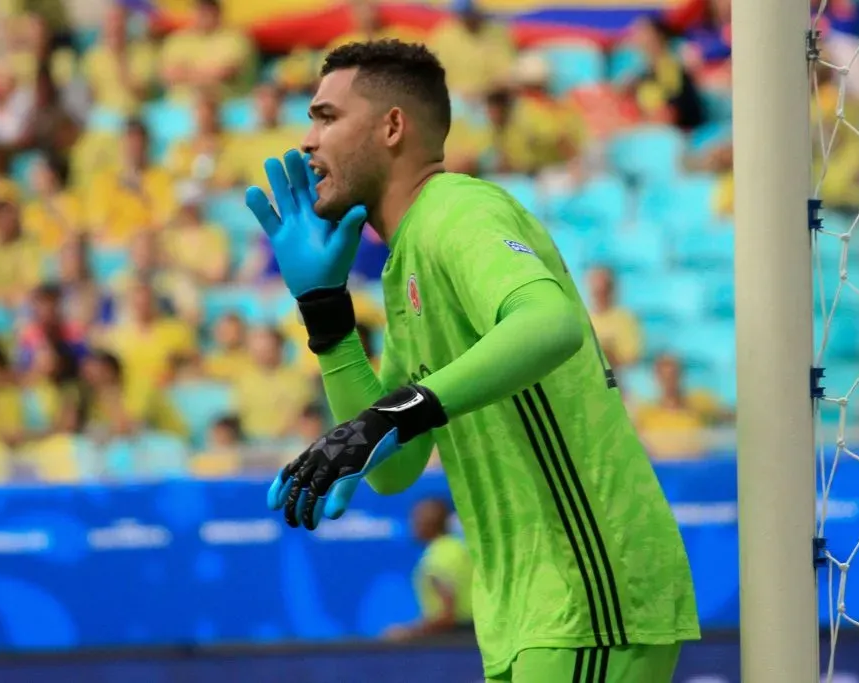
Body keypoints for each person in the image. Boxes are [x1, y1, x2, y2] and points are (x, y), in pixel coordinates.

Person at [244, 40, 699, 683]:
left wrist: (393, 414)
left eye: (325, 117)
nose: (308, 142)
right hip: (528, 613)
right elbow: (394, 470)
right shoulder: (409, 259)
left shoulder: (459, 211)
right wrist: (326, 314)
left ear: (392, 126)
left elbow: (550, 323)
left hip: (588, 593)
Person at [383, 497, 473, 642]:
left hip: (455, 641)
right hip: (477, 636)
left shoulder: (436, 559)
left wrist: (409, 632)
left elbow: (448, 615)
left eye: (416, 519)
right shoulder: (458, 548)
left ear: (426, 523)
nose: (412, 524)